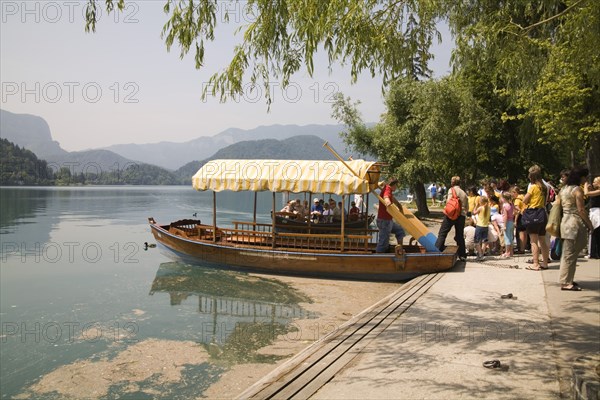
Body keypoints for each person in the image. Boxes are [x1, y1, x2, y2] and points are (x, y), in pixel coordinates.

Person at [556, 167, 594, 290]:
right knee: (570, 253)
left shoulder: (564, 189)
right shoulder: (577, 190)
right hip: (574, 223)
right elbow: (581, 210)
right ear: (580, 177)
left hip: (565, 222)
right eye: (585, 177)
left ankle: (568, 279)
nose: (586, 179)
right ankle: (566, 282)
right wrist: (590, 224)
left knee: (569, 252)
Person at [523, 165, 550, 271]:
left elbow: (525, 200)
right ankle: (545, 263)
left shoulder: (533, 187)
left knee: (533, 240)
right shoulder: (544, 187)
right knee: (542, 240)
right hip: (542, 213)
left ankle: (535, 263)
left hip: (533, 213)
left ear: (531, 177)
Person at [435, 176, 468, 261]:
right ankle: (462, 255)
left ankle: (436, 251)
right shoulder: (463, 192)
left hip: (451, 215)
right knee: (459, 235)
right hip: (461, 216)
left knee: (442, 233)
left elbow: (449, 202)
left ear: (452, 182)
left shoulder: (451, 190)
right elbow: (467, 206)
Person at [376, 178, 405, 253]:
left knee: (400, 231)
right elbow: (386, 197)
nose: (396, 187)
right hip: (384, 221)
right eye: (396, 185)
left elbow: (392, 198)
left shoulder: (387, 189)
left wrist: (399, 206)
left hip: (387, 220)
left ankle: (400, 251)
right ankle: (378, 258)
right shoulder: (387, 189)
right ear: (394, 185)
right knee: (383, 243)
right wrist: (387, 201)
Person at [584, 176, 600, 259]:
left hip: (597, 213)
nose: (593, 183)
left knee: (593, 231)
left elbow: (586, 193)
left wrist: (585, 186)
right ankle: (594, 251)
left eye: (595, 182)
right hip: (594, 212)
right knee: (595, 232)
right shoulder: (596, 191)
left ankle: (593, 252)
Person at [473, 196, 491, 261]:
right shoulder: (489, 208)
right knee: (484, 241)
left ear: (481, 202)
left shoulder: (480, 208)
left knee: (476, 241)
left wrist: (476, 205)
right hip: (486, 226)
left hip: (479, 226)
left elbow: (474, 212)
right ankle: (482, 253)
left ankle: (480, 253)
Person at [501, 191, 515, 257]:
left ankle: (507, 252)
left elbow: (505, 216)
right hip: (511, 221)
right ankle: (511, 252)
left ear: (504, 198)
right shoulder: (511, 204)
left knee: (507, 238)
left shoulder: (504, 206)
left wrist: (504, 225)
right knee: (511, 237)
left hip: (507, 223)